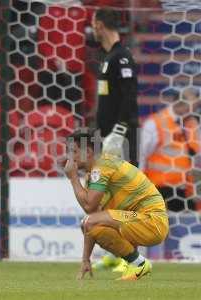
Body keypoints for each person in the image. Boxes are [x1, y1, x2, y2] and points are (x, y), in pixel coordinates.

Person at [64, 129, 168, 280]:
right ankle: (131, 262)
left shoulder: (102, 166)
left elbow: (89, 207)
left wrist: (73, 178)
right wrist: (86, 259)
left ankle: (138, 264)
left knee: (90, 222)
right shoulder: (93, 174)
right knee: (93, 226)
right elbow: (92, 218)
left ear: (87, 152)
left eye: (73, 151)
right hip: (135, 220)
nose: (69, 157)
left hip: (152, 221)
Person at [140, 89, 201, 211]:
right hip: (159, 190)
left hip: (184, 190)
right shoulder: (154, 123)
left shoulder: (191, 124)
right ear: (181, 105)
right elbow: (141, 157)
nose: (195, 110)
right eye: (194, 106)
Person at [91, 8, 139, 164]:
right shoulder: (108, 57)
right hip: (107, 138)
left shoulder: (122, 56)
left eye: (92, 25)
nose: (92, 30)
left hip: (120, 140)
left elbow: (130, 95)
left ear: (99, 25)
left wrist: (119, 132)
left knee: (126, 187)